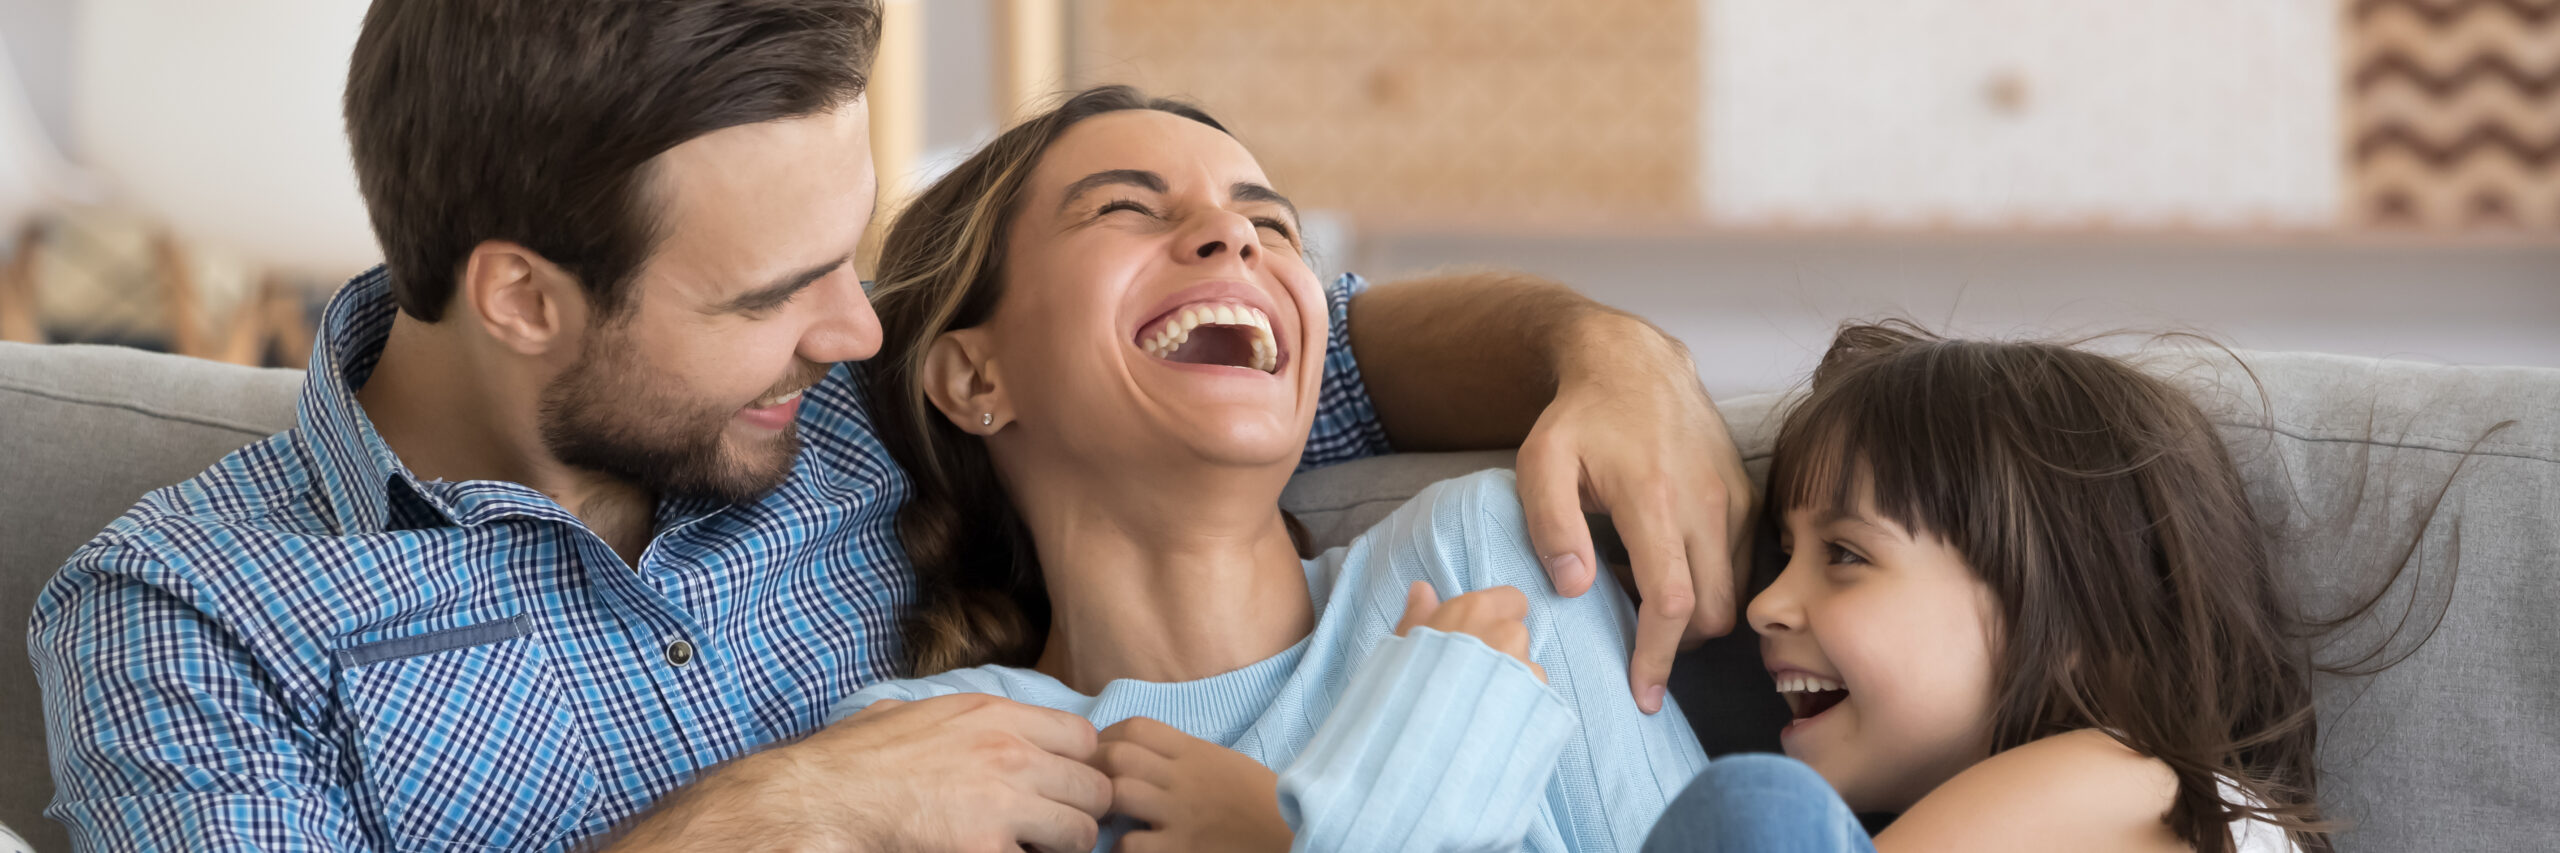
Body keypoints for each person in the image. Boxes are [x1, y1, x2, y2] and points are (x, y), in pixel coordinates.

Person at [28, 1, 1753, 851]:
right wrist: (754, 819)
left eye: (853, 258)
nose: (859, 330)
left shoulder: (884, 404)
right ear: (521, 296)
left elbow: (1316, 355)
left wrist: (1595, 347)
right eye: (774, 292)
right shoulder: (195, 617)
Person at [829, 85, 1708, 852]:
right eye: (1124, 208)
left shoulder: (1486, 554)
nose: (1232, 235)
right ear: (978, 376)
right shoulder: (927, 755)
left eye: (1271, 224)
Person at [1642, 322, 2489, 853]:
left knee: (1756, 810)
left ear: (2069, 610)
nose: (1764, 603)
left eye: (1846, 555)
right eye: (1783, 551)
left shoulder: (2120, 777)